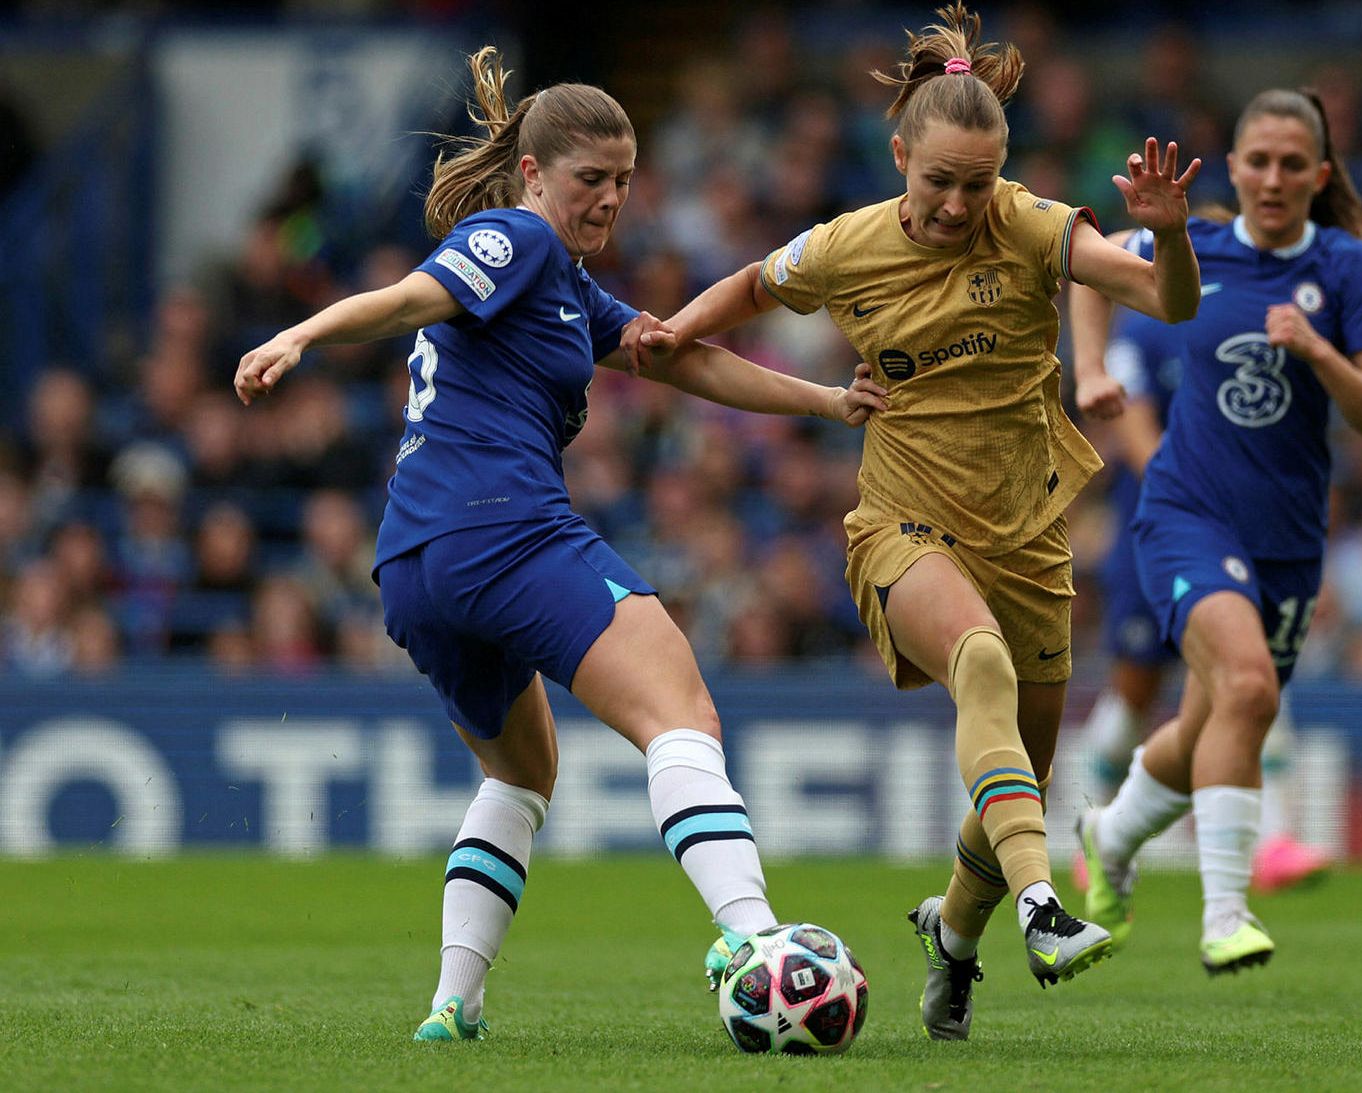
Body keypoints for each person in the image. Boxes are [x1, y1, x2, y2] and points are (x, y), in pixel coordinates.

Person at [233, 47, 888, 1042]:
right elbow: (414, 295)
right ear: (533, 172)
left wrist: (826, 401)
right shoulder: (516, 240)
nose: (610, 200)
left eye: (624, 182)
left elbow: (678, 357)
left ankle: (454, 1002)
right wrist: (302, 336)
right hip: (498, 528)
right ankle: (756, 941)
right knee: (682, 716)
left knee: (520, 776)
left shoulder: (569, 290)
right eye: (591, 179)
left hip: (414, 564)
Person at [652, 3, 1201, 1040]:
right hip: (902, 525)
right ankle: (1044, 911)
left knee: (1016, 785)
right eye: (935, 180)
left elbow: (1168, 303)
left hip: (1026, 538)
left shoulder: (1035, 226)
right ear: (898, 153)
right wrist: (672, 330)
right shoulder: (843, 248)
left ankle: (952, 939)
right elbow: (750, 286)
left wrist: (1168, 238)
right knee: (981, 669)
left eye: (975, 183)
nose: (955, 204)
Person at [1072, 87, 1362, 976]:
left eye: (1293, 163)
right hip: (1186, 511)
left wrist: (1321, 352)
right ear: (1234, 168)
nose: (1273, 177)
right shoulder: (1198, 243)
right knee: (1251, 689)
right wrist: (1094, 370)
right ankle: (1225, 913)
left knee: (1212, 719)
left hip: (1287, 539)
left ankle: (1108, 837)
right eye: (1258, 160)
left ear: (1320, 175)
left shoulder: (1345, 268)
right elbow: (1088, 263)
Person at [1067, 262, 1332, 896]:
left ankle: (1273, 842)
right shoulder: (1148, 333)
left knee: (1253, 676)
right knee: (1137, 687)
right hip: (1159, 531)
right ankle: (1091, 827)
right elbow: (1134, 427)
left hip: (1244, 532)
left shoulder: (1258, 338)